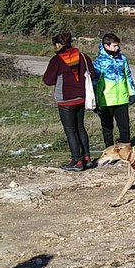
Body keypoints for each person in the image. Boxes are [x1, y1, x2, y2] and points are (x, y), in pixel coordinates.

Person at [42, 32, 97, 171]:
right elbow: (93, 74)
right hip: (81, 98)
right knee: (80, 127)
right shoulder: (83, 57)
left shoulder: (57, 60)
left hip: (65, 99)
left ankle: (76, 161)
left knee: (70, 130)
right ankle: (87, 158)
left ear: (58, 44)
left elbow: (47, 80)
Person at [92, 33, 135, 147]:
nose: (117, 48)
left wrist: (132, 93)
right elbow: (94, 83)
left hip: (122, 98)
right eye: (114, 45)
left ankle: (125, 148)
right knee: (107, 127)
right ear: (106, 46)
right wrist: (95, 101)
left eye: (117, 45)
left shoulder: (122, 58)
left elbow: (128, 76)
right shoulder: (99, 62)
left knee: (124, 126)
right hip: (106, 100)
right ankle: (110, 149)